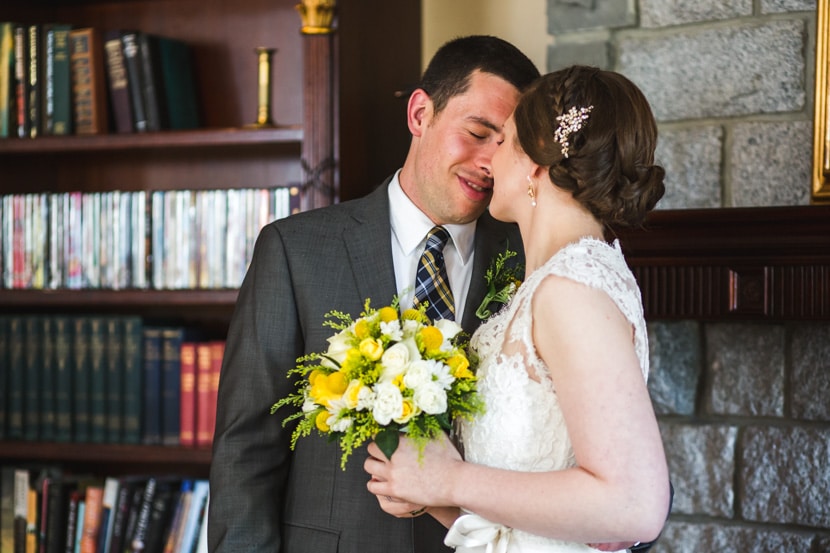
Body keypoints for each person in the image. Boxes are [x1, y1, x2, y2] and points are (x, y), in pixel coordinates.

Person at [207, 35, 540, 553]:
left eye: (509, 147)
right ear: (419, 113)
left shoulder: (532, 259)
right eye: (477, 133)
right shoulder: (296, 251)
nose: (489, 164)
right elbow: (246, 448)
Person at [363, 65, 672, 552]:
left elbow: (635, 505)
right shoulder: (551, 282)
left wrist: (450, 481)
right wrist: (425, 489)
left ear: (533, 166)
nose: (489, 160)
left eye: (502, 140)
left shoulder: (571, 288)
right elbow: (525, 512)